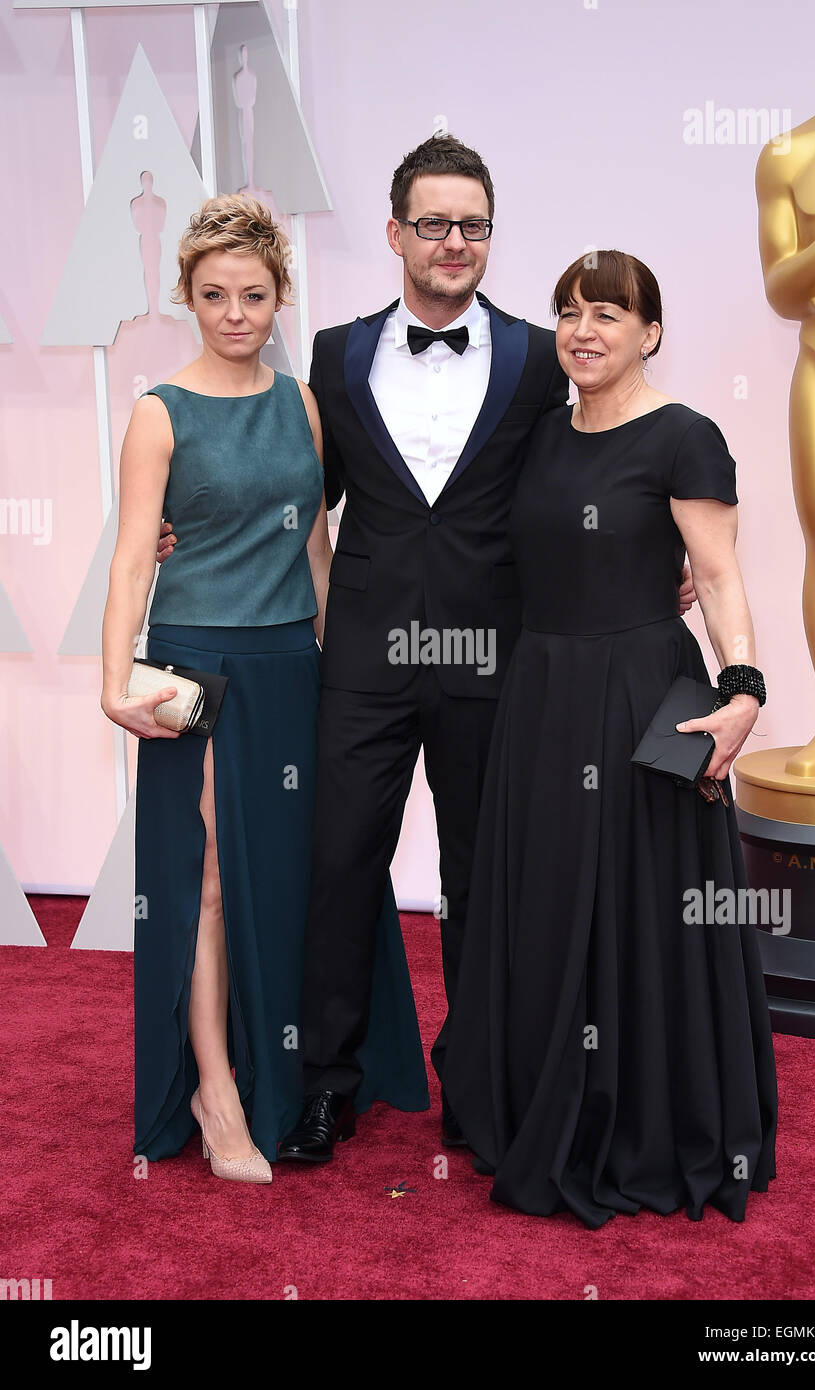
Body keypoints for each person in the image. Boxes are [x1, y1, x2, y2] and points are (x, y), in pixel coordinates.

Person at [157, 139, 696, 1163]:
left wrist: (652, 558)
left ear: (491, 235)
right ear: (397, 230)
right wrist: (175, 529)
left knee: (486, 878)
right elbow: (292, 499)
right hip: (360, 657)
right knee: (338, 865)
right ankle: (327, 1083)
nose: (455, 243)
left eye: (475, 225)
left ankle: (485, 1085)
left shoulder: (544, 358)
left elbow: (596, 469)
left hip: (501, 659)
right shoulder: (337, 354)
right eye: (435, 223)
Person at [443, 250, 778, 1227]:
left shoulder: (685, 436)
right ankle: (548, 1105)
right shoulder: (537, 438)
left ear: (649, 331)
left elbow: (714, 575)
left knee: (646, 908)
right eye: (569, 312)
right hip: (541, 693)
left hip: (643, 694)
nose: (584, 330)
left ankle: (649, 1122)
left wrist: (743, 685)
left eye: (608, 313)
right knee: (547, 900)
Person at [101, 194, 427, 1184]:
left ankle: (300, 1064)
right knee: (201, 882)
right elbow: (130, 562)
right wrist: (113, 680)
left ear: (280, 296)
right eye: (213, 295)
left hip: (296, 665)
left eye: (252, 293)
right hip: (196, 667)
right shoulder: (159, 413)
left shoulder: (301, 403)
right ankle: (216, 1090)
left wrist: (350, 660)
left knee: (302, 872)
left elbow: (317, 548)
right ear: (187, 300)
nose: (234, 312)